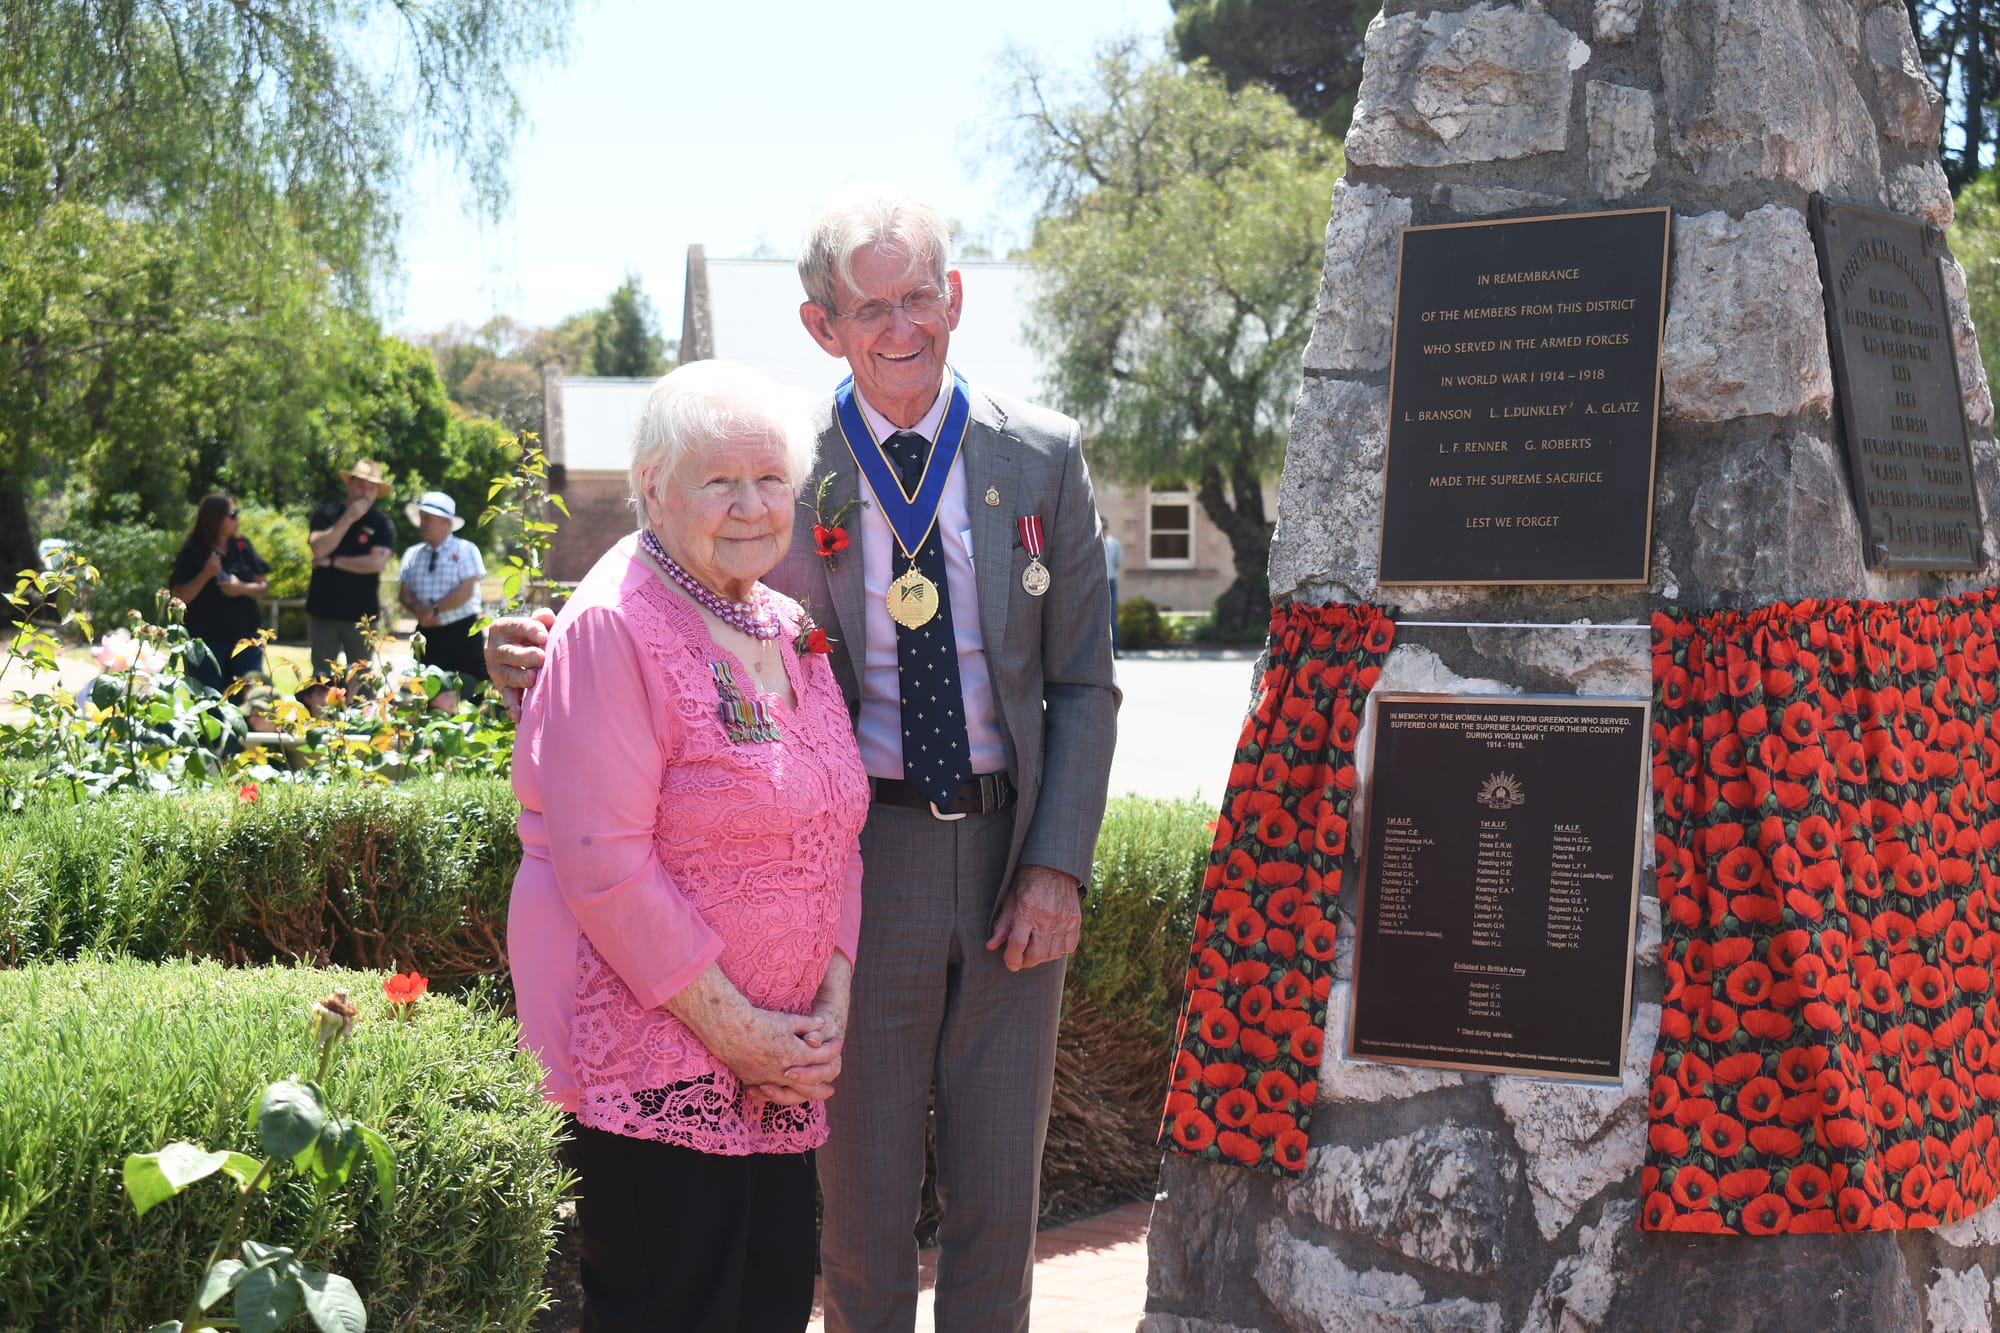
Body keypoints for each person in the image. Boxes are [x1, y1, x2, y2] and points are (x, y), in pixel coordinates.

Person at [491, 188, 1120, 1333]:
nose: (899, 326)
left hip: (1010, 858)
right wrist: (540, 641)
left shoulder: (1039, 455)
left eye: (917, 296)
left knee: (998, 1191)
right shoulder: (781, 455)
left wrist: (1056, 863)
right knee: (859, 1207)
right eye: (868, 307)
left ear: (954, 298)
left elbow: (1082, 679)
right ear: (821, 324)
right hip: (857, 861)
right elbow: (669, 570)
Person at [507, 359, 868, 1332]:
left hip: (778, 1061)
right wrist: (741, 1033)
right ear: (653, 486)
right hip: (656, 1056)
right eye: (719, 481)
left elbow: (837, 829)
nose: (752, 505)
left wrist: (824, 1010)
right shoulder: (613, 623)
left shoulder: (783, 623)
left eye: (770, 479)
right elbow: (605, 867)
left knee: (766, 1306)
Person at [168, 492, 270, 690]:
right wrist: (206, 573)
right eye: (233, 515)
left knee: (249, 697)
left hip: (246, 639)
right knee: (209, 698)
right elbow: (179, 597)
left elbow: (263, 586)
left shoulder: (242, 546)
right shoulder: (193, 550)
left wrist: (241, 588)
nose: (238, 519)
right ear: (215, 518)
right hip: (207, 642)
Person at [305, 458, 395, 679]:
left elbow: (375, 563)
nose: (365, 492)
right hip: (323, 610)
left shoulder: (382, 523)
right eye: (361, 485)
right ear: (350, 484)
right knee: (322, 677)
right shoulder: (326, 513)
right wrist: (348, 518)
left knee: (362, 678)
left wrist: (333, 562)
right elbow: (319, 548)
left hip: (362, 615)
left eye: (372, 488)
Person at [396, 491, 488, 685]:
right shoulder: (412, 554)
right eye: (421, 518)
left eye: (427, 518)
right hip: (426, 635)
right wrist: (419, 611)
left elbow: (467, 591)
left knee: (471, 688)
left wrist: (434, 610)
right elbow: (404, 594)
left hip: (463, 633)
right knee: (426, 689)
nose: (422, 523)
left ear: (446, 522)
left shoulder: (466, 549)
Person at [1103, 528, 1124, 656]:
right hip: (1097, 583)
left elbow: (1118, 563)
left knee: (1112, 616)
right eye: (1101, 527)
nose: (1103, 530)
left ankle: (1115, 650)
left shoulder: (1113, 543)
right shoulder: (1091, 541)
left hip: (1110, 582)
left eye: (1105, 527)